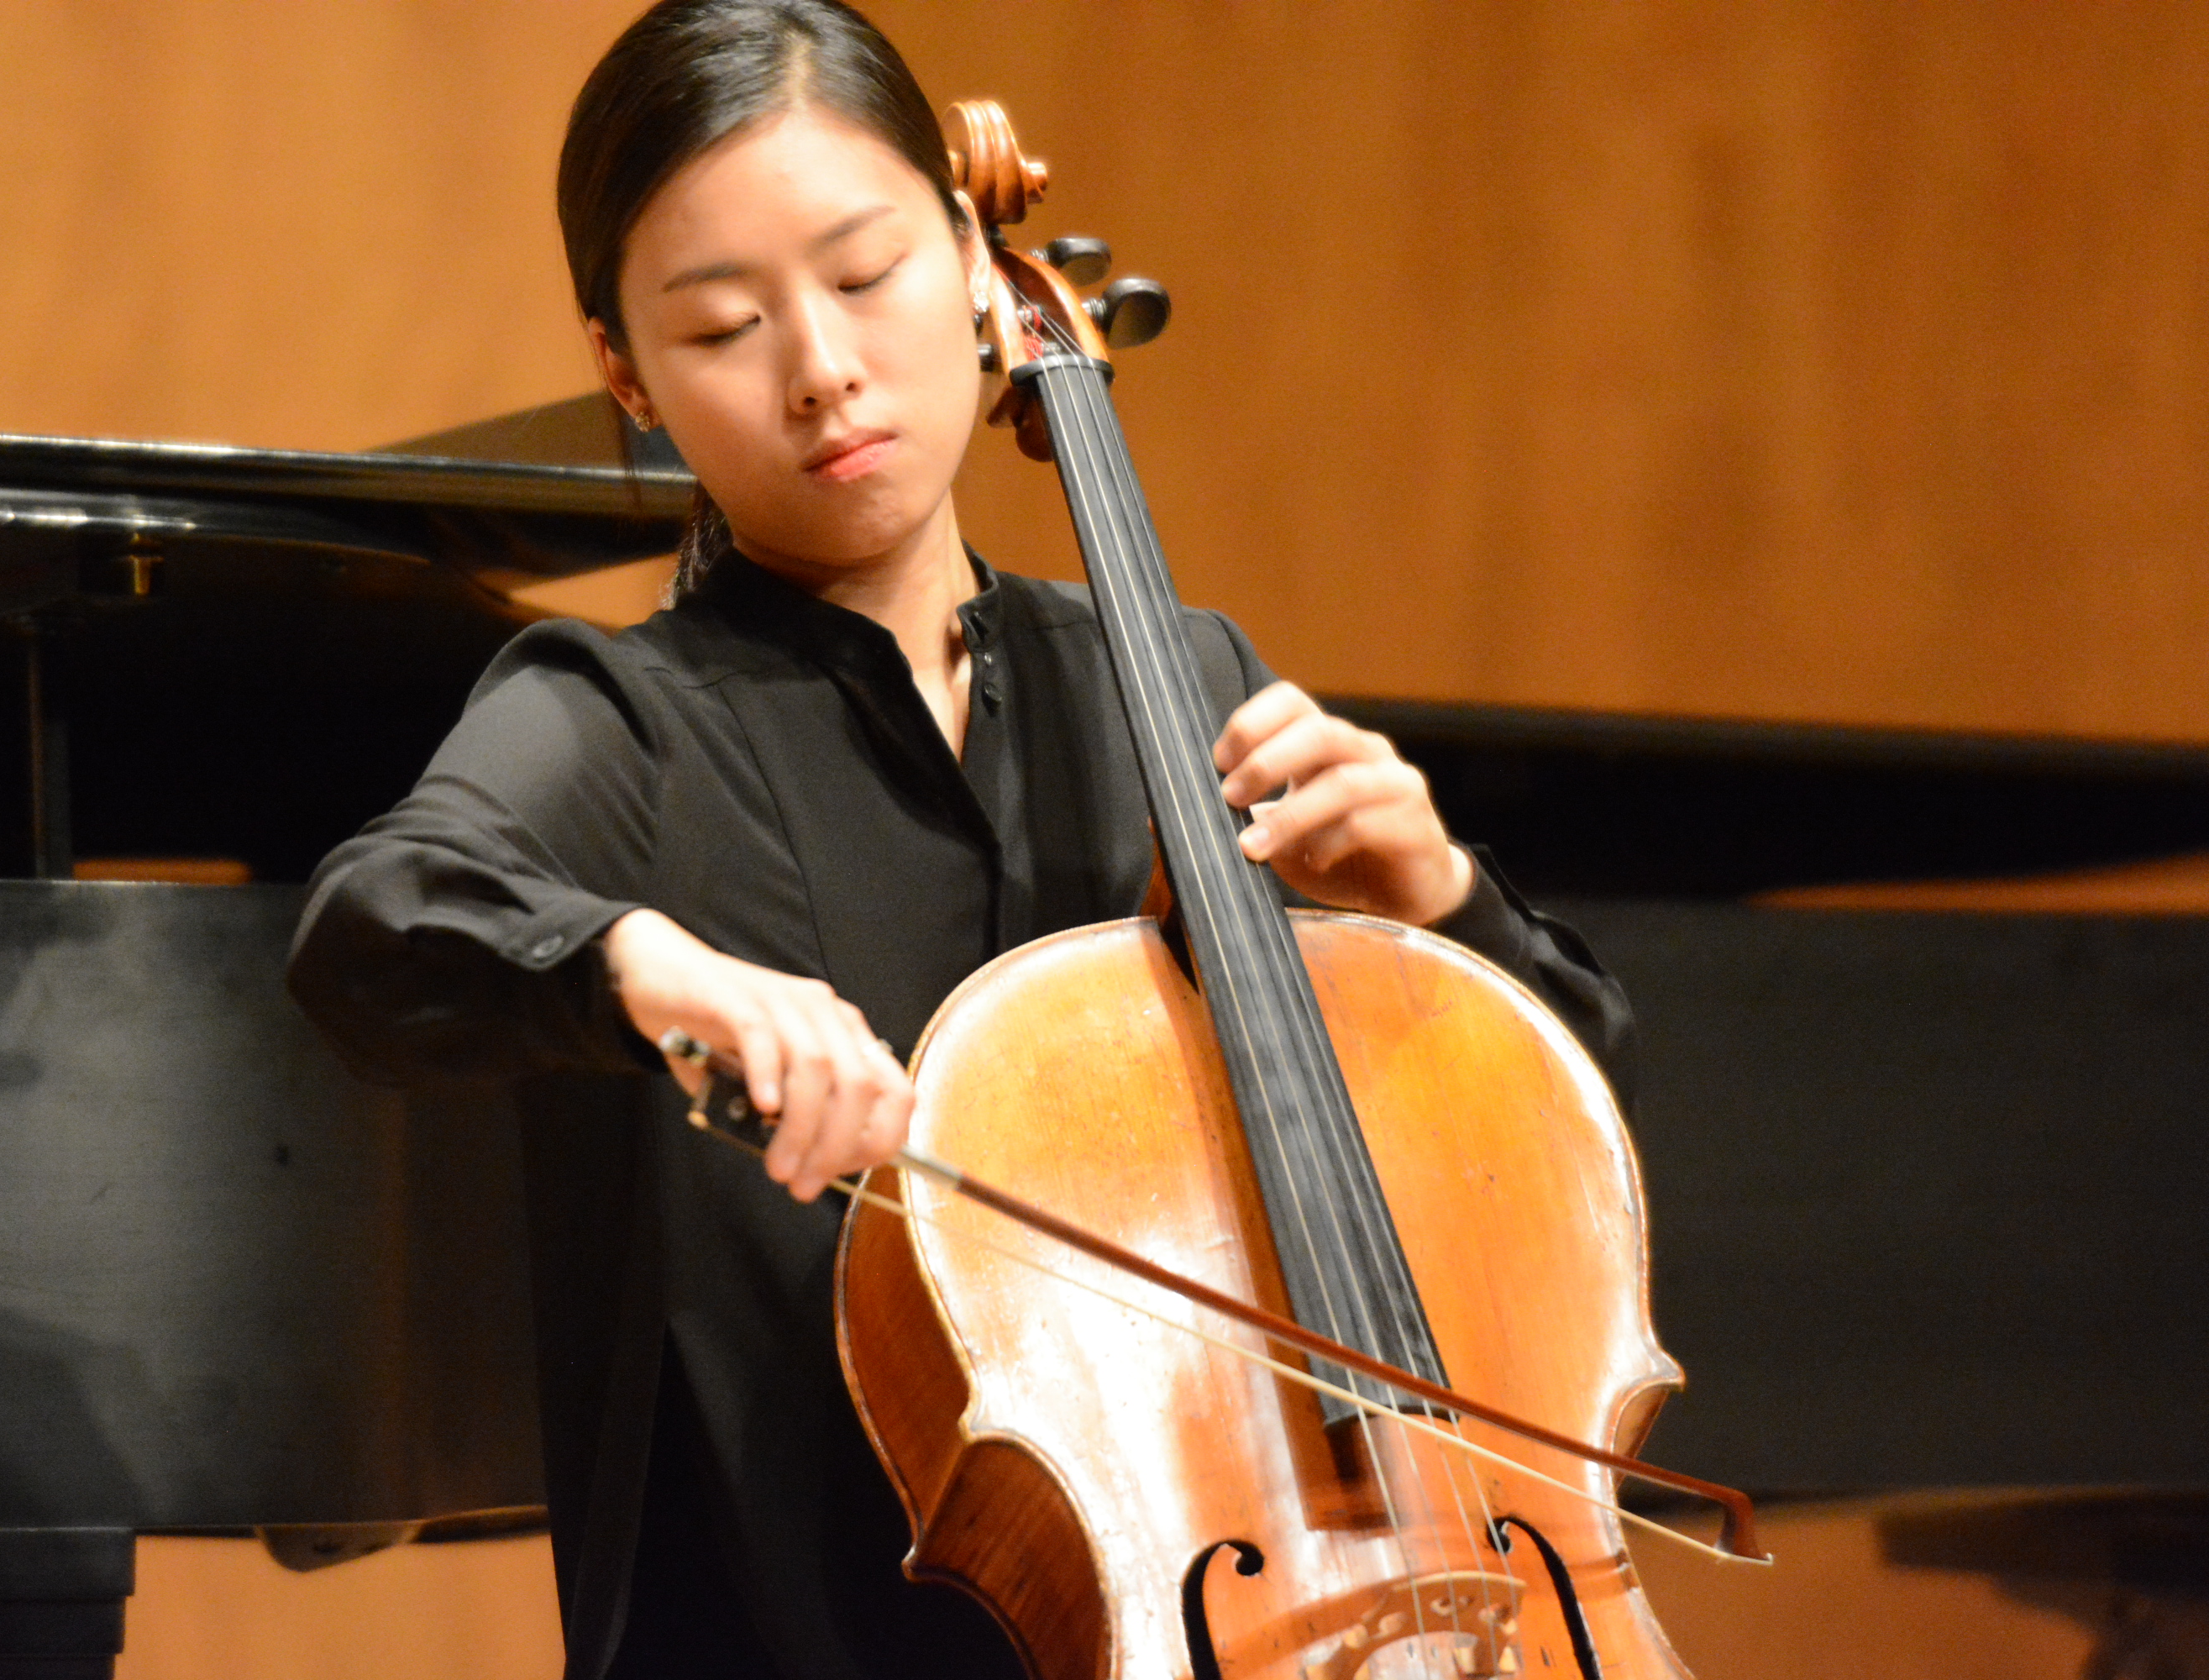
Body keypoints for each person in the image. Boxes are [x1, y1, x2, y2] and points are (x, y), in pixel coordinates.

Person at [287, 3, 1632, 1675]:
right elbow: (373, 923)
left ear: (979, 271)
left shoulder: (1180, 685)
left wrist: (1440, 901)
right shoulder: (620, 725)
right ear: (627, 374)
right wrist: (652, 966)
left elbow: (1564, 1174)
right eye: (723, 326)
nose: (820, 368)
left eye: (867, 276)